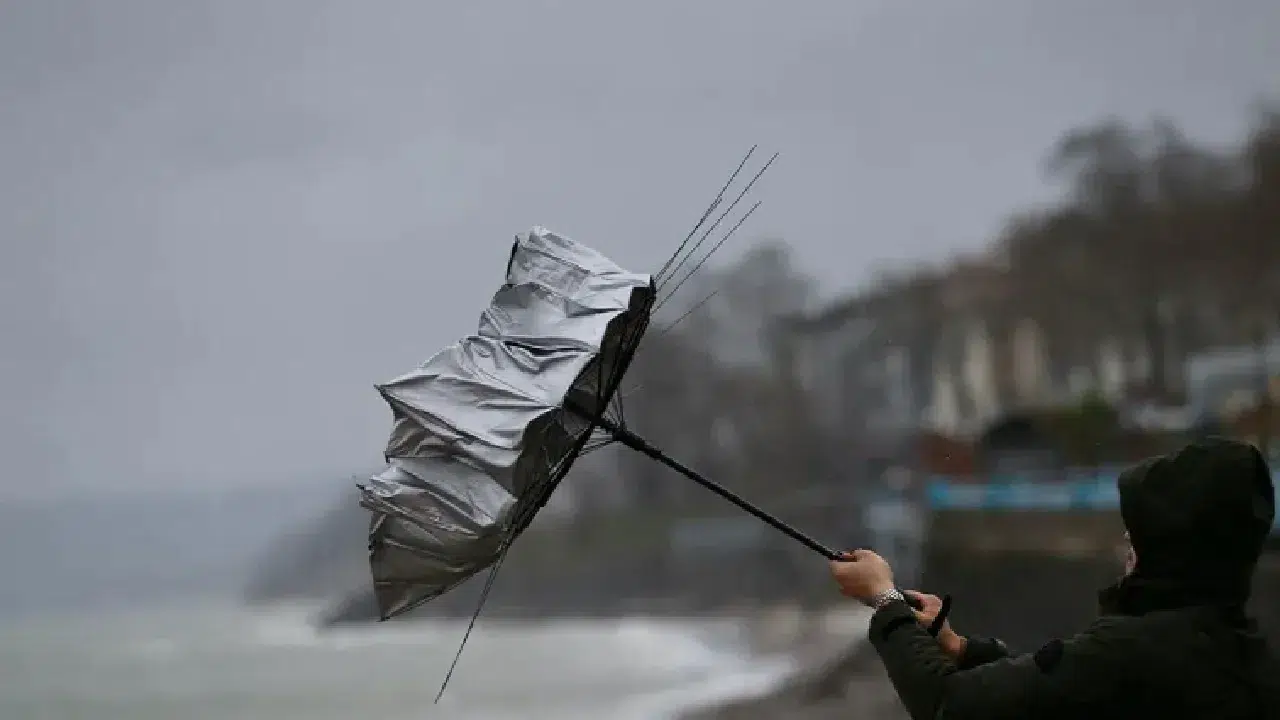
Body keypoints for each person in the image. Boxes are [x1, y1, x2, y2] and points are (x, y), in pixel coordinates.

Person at [830, 438, 1279, 720]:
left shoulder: (1133, 652)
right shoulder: (1239, 651)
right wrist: (961, 649)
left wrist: (885, 599)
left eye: (1141, 530)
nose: (1126, 539)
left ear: (1172, 546)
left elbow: (949, 704)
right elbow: (1060, 691)